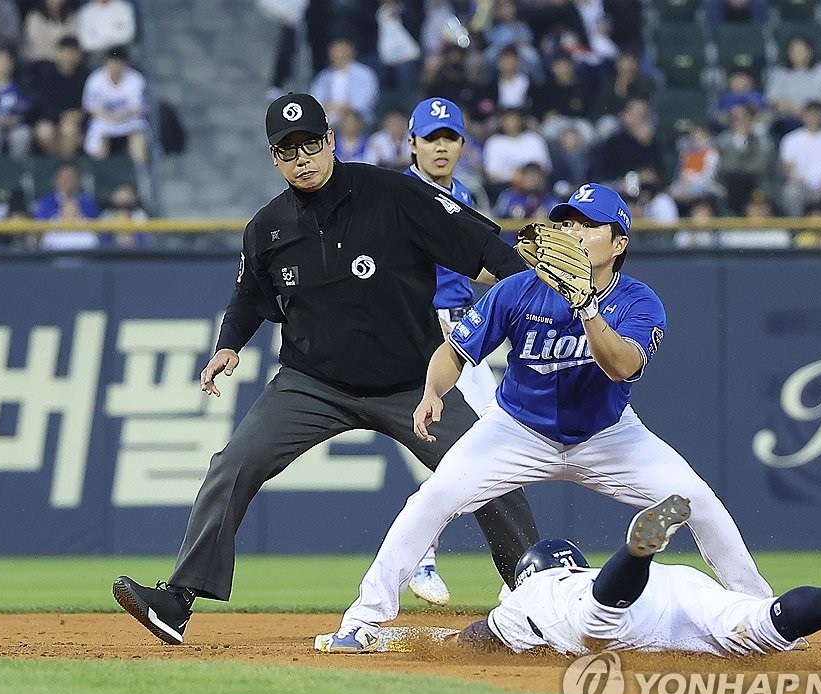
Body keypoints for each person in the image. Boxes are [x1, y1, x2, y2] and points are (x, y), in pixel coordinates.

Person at [112, 92, 542, 645]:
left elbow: (481, 243)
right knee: (233, 465)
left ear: (331, 142)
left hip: (412, 384)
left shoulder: (393, 194)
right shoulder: (267, 228)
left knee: (489, 472)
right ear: (274, 158)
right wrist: (229, 344)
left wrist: (531, 291)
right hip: (311, 385)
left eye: (310, 144)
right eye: (287, 150)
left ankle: (538, 596)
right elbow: (249, 298)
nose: (302, 158)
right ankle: (176, 600)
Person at [319, 183, 774, 651]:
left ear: (619, 244)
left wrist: (586, 308)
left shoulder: (640, 302)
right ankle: (363, 620)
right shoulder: (519, 289)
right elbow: (455, 350)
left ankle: (758, 610)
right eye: (568, 222)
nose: (573, 233)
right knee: (433, 497)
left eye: (589, 226)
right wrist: (433, 390)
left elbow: (621, 366)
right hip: (516, 430)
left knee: (697, 498)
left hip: (608, 436)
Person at [321, 496, 821, 660]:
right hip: (682, 587)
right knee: (758, 627)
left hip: (610, 604)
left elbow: (476, 642)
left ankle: (635, 553)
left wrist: (418, 643)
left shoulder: (533, 592)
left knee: (598, 621)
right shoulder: (566, 575)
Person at [402, 96, 507, 605]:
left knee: (491, 442)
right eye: (431, 138)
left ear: (462, 145)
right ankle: (422, 554)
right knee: (478, 443)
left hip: (466, 327)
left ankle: (514, 575)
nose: (441, 147)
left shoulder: (461, 192)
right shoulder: (401, 193)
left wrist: (521, 269)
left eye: (450, 138)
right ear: (413, 144)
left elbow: (472, 269)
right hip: (428, 330)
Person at [82, 47, 149, 163]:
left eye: (119, 62)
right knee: (98, 147)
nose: (115, 66)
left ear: (125, 64)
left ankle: (142, 176)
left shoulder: (136, 79)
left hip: (130, 121)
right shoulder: (95, 79)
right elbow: (91, 106)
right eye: (112, 62)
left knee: (138, 139)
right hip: (104, 120)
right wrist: (110, 116)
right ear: (106, 63)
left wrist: (123, 115)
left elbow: (139, 107)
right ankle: (99, 175)